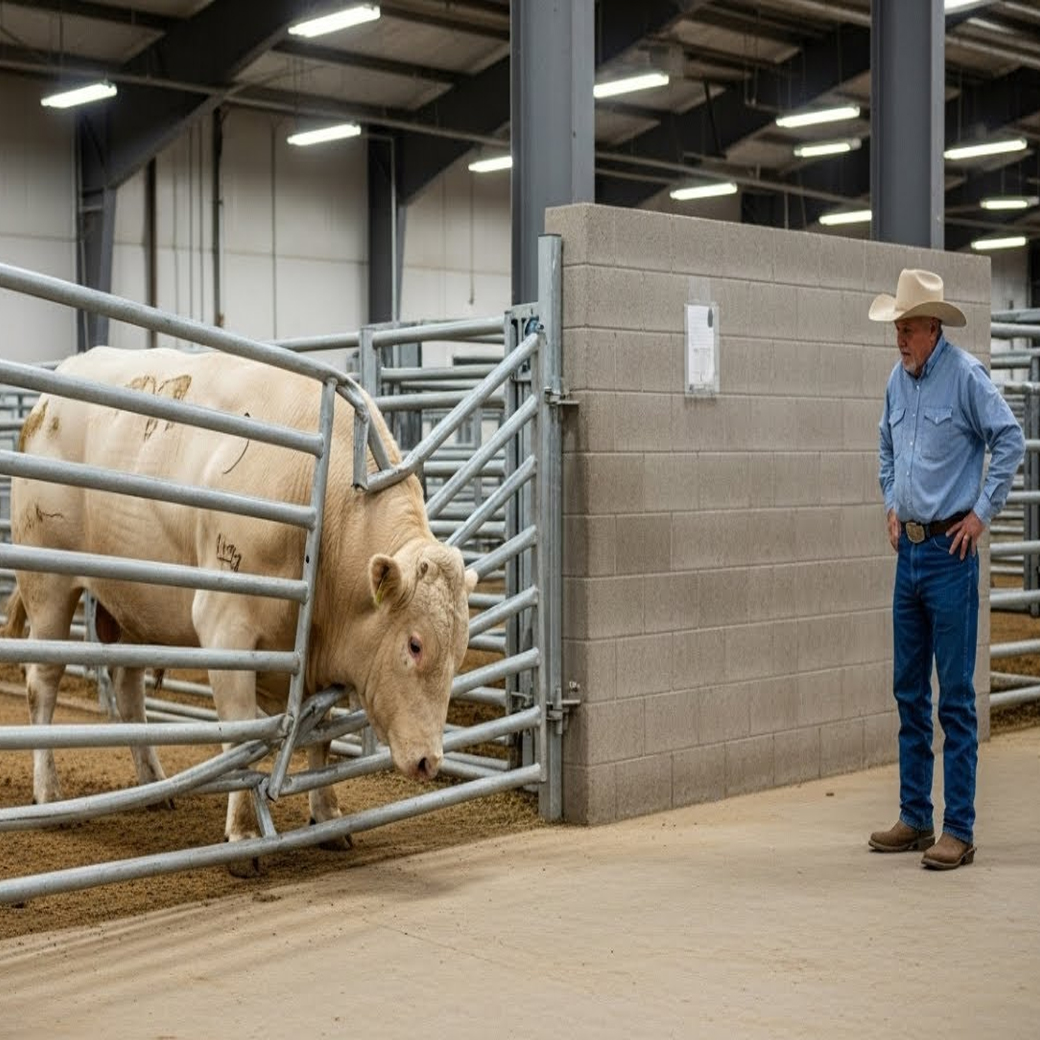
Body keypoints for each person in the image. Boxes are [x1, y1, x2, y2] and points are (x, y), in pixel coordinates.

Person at [870, 268, 1024, 870]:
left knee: (953, 698)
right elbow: (885, 446)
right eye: (897, 328)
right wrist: (890, 500)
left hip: (950, 555)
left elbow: (1008, 438)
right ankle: (915, 817)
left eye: (908, 328)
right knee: (908, 690)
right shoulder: (895, 382)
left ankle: (957, 826)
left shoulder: (965, 378)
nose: (900, 338)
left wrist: (981, 515)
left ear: (933, 327)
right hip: (909, 554)